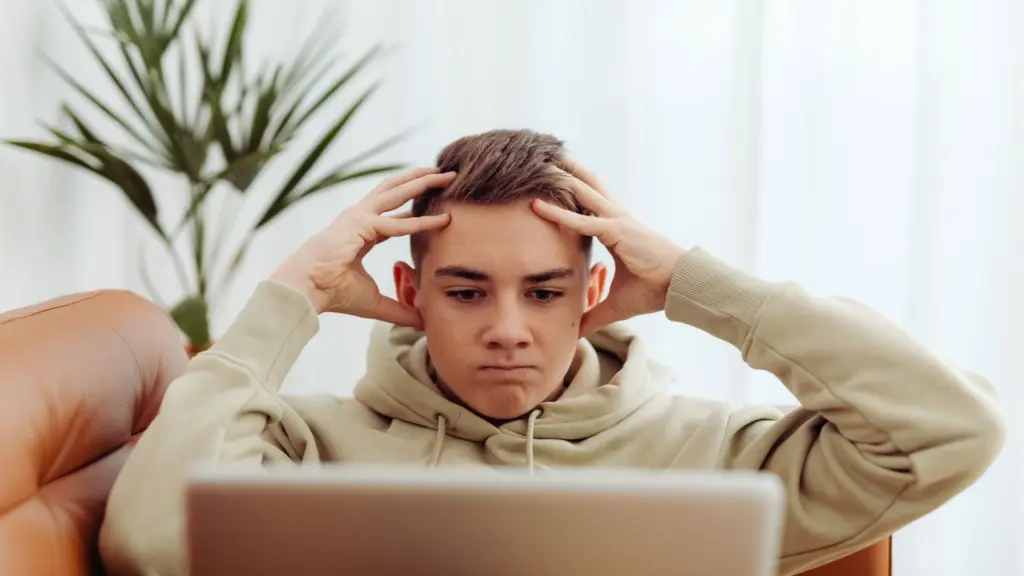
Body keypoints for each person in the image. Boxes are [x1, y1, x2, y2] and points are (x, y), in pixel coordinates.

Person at [98, 129, 1005, 576]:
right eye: (464, 291)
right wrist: (290, 298)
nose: (507, 328)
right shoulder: (302, 447)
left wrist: (698, 285)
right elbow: (149, 545)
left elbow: (953, 431)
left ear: (595, 293)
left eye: (543, 291)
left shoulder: (720, 460)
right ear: (409, 298)